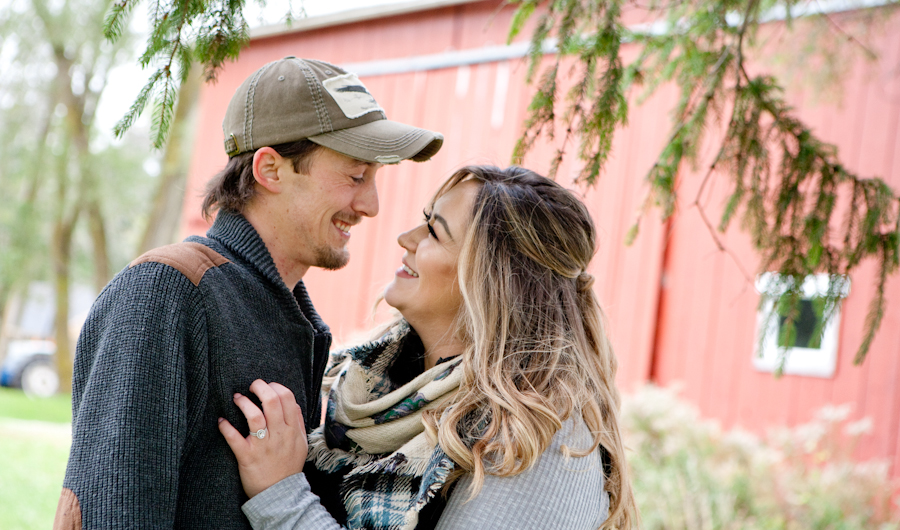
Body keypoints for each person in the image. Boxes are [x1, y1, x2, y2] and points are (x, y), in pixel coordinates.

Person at [53, 56, 443, 530]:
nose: (371, 205)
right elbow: (110, 515)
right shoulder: (167, 295)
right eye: (356, 176)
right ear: (271, 169)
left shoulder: (288, 314)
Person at [219, 166, 638, 529]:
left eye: (435, 231)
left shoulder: (537, 434)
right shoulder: (365, 383)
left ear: (491, 280)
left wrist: (280, 495)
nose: (406, 237)